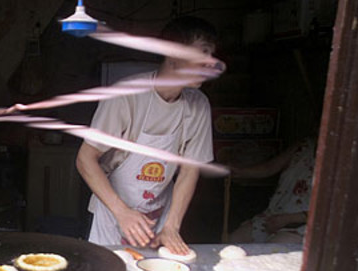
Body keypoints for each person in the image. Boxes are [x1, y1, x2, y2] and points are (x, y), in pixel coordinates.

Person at [76, 16, 218, 255]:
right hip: (112, 211)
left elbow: (189, 170)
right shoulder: (127, 95)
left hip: (159, 213)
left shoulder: (199, 105)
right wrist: (122, 213)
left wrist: (172, 226)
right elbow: (85, 159)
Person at [227, 138, 316, 243]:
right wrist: (240, 172)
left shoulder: (336, 161)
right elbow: (270, 167)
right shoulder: (304, 147)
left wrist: (288, 219)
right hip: (278, 213)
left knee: (273, 247)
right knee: (234, 240)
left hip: (307, 223)